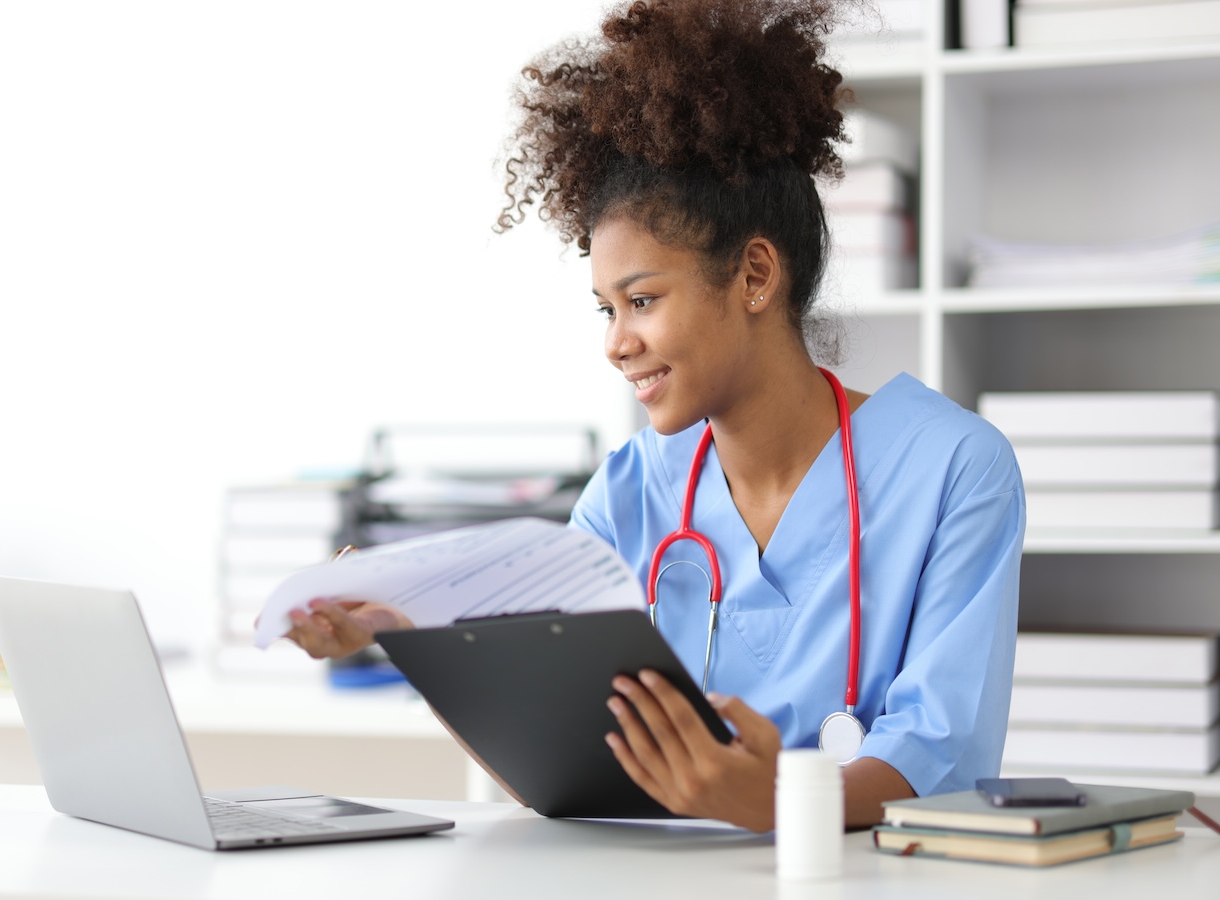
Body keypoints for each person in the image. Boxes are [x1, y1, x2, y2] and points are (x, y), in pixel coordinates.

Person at [285, 0, 1025, 833]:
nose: (615, 343)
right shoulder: (628, 493)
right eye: (604, 309)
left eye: (641, 300)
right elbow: (553, 763)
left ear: (753, 276)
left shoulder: (953, 468)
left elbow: (942, 757)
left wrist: (776, 806)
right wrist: (414, 635)